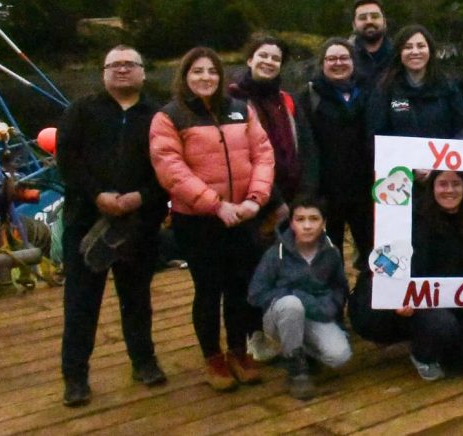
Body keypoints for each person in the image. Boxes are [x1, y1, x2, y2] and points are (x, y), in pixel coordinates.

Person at [150, 47, 274, 391]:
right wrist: (215, 204)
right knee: (208, 289)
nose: (206, 77)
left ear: (221, 77)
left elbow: (263, 154)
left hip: (243, 215)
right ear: (185, 76)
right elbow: (171, 169)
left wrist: (255, 200)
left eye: (212, 72)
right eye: (197, 71)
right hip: (199, 220)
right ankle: (213, 357)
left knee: (240, 287)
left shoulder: (240, 110)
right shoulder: (169, 117)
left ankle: (238, 350)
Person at [58, 45, 169, 407]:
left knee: (136, 298)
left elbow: (168, 167)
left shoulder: (158, 115)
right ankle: (75, 376)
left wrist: (142, 196)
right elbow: (68, 160)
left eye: (129, 64)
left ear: (142, 71)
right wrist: (97, 196)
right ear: (104, 72)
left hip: (138, 223)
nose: (122, 70)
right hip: (86, 221)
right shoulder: (81, 110)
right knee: (80, 302)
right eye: (114, 65)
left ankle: (144, 361)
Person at [228, 35, 317, 361]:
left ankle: (295, 330)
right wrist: (272, 198)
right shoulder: (233, 101)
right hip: (254, 200)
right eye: (262, 56)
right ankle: (253, 334)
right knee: (253, 271)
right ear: (249, 59)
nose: (268, 62)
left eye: (275, 58)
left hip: (293, 202)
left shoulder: (288, 101)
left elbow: (306, 147)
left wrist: (305, 196)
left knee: (293, 267)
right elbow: (242, 156)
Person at [398, 170, 463, 380]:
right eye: (443, 184)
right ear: (432, 187)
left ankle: (451, 347)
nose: (450, 190)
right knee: (442, 326)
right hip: (429, 307)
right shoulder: (415, 219)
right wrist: (401, 295)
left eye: (456, 184)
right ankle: (422, 354)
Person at [248, 196, 351, 400]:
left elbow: (340, 288)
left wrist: (330, 306)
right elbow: (256, 292)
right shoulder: (275, 253)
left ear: (323, 223)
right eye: (300, 219)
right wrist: (291, 296)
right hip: (281, 315)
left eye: (313, 219)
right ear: (292, 222)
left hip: (316, 313)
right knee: (292, 305)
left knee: (340, 356)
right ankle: (295, 368)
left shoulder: (331, 252)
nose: (306, 226)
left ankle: (305, 352)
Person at [298, 38, 374, 268]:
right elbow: (305, 143)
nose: (338, 63)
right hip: (326, 191)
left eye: (344, 58)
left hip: (364, 189)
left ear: (353, 62)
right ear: (322, 63)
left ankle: (367, 300)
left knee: (372, 253)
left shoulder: (369, 92)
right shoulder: (309, 95)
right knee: (328, 257)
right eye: (331, 59)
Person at [367, 24, 463, 140]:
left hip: (439, 156)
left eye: (421, 46)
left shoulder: (448, 87)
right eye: (408, 47)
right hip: (399, 157)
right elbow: (375, 133)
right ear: (399, 52)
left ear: (430, 51)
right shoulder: (385, 89)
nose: (415, 52)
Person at [349, 0, 392, 85]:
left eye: (375, 16)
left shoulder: (398, 56)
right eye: (362, 18)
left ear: (385, 22)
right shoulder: (344, 58)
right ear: (354, 25)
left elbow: (404, 93)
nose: (369, 21)